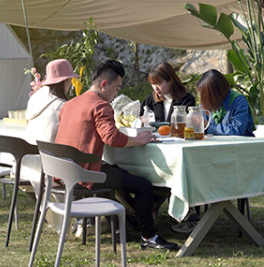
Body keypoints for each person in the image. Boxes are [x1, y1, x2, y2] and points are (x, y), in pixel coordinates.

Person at [54, 59, 179, 251]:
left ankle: (122, 226)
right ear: (104, 84)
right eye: (117, 88)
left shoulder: (70, 104)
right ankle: (149, 236)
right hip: (84, 175)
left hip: (63, 172)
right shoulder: (100, 105)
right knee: (144, 185)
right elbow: (111, 137)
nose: (117, 94)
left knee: (115, 173)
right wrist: (138, 140)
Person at [25, 59, 78, 143]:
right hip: (50, 155)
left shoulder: (35, 98)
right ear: (66, 81)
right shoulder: (63, 106)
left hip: (29, 153)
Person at [196, 69, 254, 137]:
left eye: (205, 96)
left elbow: (237, 131)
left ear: (215, 93)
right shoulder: (206, 104)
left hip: (239, 145)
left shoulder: (239, 102)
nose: (203, 100)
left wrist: (208, 127)